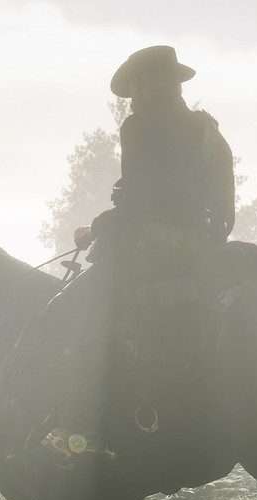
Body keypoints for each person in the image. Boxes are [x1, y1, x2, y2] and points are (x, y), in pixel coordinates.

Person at [73, 45, 236, 308]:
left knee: (64, 312)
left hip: (153, 258)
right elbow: (227, 219)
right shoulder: (213, 135)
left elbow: (136, 208)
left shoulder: (139, 127)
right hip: (207, 254)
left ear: (148, 86)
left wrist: (94, 228)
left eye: (133, 90)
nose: (131, 100)